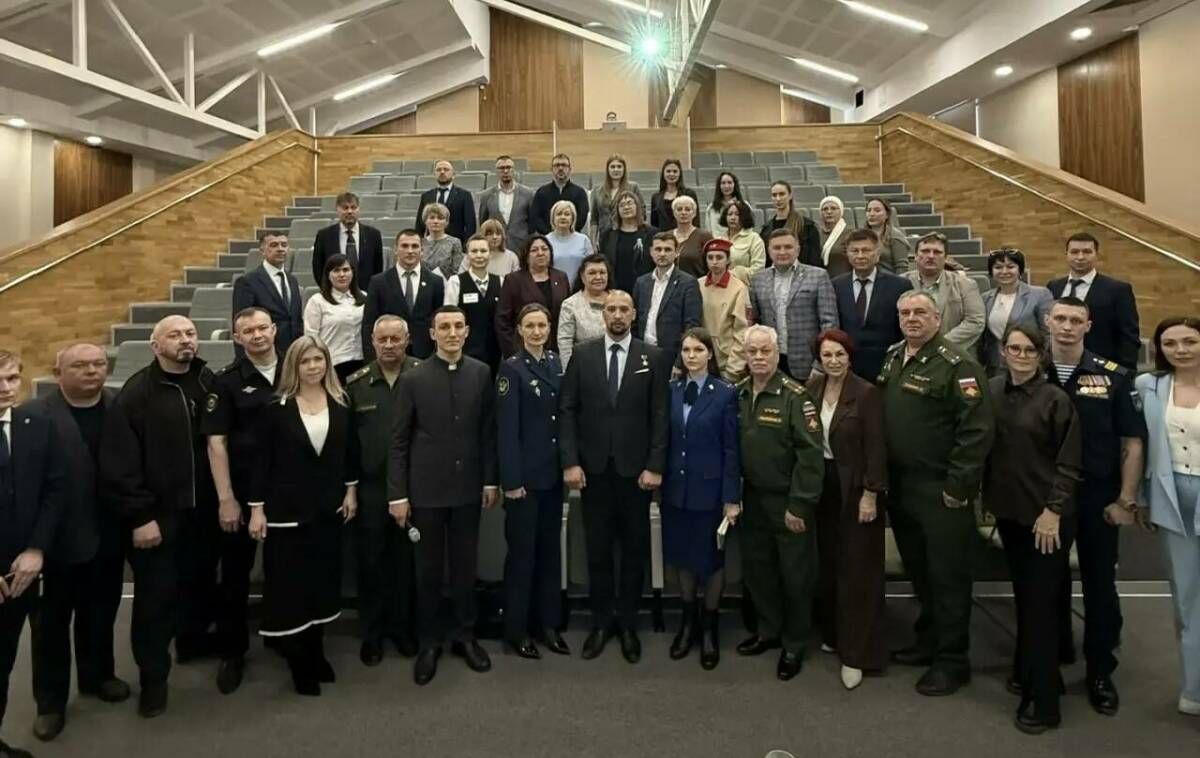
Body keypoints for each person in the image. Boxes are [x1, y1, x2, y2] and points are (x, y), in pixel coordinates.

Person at [101, 316, 218, 718]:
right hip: (159, 516)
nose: (185, 340)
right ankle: (153, 679)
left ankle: (192, 642)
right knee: (155, 600)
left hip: (203, 510)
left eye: (190, 334)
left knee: (199, 583)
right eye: (175, 335)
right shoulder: (137, 393)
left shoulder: (207, 380)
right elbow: (120, 463)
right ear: (155, 346)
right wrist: (140, 517)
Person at [879, 291, 993, 696]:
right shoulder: (895, 356)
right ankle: (928, 641)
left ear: (937, 318)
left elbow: (976, 431)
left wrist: (958, 487)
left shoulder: (958, 365)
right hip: (903, 488)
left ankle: (952, 660)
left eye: (920, 312)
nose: (911, 318)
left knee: (948, 577)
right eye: (905, 312)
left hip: (942, 490)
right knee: (921, 572)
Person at [1045, 297, 1145, 715]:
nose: (1067, 326)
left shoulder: (1113, 376)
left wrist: (1126, 499)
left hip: (1098, 497)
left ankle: (1100, 671)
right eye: (1060, 319)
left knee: (1099, 587)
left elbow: (1132, 442)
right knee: (1047, 584)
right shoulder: (1030, 370)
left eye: (1075, 320)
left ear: (1088, 326)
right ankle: (1050, 658)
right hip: (1046, 499)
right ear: (1048, 322)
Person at [389, 306, 499, 686]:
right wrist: (398, 495)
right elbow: (398, 442)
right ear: (432, 334)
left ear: (467, 332)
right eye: (444, 327)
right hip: (426, 493)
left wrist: (490, 481)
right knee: (429, 571)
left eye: (458, 326)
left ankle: (465, 637)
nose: (452, 333)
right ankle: (429, 643)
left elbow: (487, 432)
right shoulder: (413, 379)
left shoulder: (481, 373)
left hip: (468, 489)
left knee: (465, 569)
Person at [560, 290, 669, 664]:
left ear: (634, 314)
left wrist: (655, 465)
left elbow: (660, 415)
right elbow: (568, 409)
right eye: (611, 309)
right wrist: (570, 461)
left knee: (635, 551)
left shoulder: (653, 356)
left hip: (636, 473)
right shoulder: (583, 354)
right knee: (598, 550)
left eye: (624, 309)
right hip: (593, 471)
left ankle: (628, 625)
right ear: (602, 314)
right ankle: (601, 622)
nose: (618, 315)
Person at [25, 345, 128, 743]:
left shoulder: (120, 405)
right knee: (50, 626)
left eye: (99, 364)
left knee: (100, 613)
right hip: (56, 540)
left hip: (108, 534)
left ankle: (97, 676)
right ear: (58, 372)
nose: (91, 371)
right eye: (80, 365)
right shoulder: (35, 414)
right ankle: (50, 703)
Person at [984, 323, 1082, 734]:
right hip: (1010, 514)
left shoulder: (1055, 400)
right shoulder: (992, 391)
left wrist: (1053, 511)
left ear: (1041, 356)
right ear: (1003, 352)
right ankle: (1031, 671)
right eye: (1014, 349)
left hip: (1047, 519)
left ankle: (1044, 704)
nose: (1021, 356)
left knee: (1041, 607)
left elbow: (1070, 463)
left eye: (1029, 350)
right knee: (1026, 598)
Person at [246, 336, 358, 697]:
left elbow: (349, 452)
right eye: (306, 361)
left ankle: (317, 650)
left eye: (318, 360)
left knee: (322, 582)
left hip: (327, 509)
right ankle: (299, 661)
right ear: (293, 366)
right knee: (291, 587)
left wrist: (350, 490)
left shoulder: (341, 402)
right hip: (286, 513)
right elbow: (261, 463)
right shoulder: (275, 408)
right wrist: (256, 509)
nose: (313, 367)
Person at [734, 325, 824, 681]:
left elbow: (810, 457)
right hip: (752, 500)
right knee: (760, 571)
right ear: (744, 355)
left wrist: (800, 505)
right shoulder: (740, 394)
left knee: (795, 575)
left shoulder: (795, 397)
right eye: (752, 351)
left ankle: (794, 643)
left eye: (765, 351)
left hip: (787, 501)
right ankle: (768, 631)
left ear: (777, 353)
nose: (758, 357)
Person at [200, 308, 280, 696]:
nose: (257, 335)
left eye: (263, 327)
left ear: (275, 329)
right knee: (235, 574)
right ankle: (232, 652)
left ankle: (285, 636)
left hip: (288, 491)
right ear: (237, 338)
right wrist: (226, 499)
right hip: (244, 491)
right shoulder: (226, 381)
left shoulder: (297, 368)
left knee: (288, 568)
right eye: (248, 331)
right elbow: (216, 443)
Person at [806, 329, 889, 691]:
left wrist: (871, 494)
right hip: (823, 486)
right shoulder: (813, 388)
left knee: (858, 570)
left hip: (857, 488)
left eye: (840, 354)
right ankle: (835, 634)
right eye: (827, 355)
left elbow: (876, 448)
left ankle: (858, 654)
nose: (834, 361)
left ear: (850, 356)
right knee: (830, 564)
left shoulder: (867, 393)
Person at [662, 329, 740, 669]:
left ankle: (709, 628)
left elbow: (731, 450)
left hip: (710, 493)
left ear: (710, 354)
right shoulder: (671, 391)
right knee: (682, 559)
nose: (691, 356)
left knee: (711, 561)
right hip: (676, 491)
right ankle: (687, 622)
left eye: (698, 350)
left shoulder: (724, 393)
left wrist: (731, 498)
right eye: (686, 350)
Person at [346, 316, 421, 667]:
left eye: (395, 338)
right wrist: (349, 488)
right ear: (372, 342)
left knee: (406, 562)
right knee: (371, 562)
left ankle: (403, 628)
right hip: (371, 488)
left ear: (408, 340)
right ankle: (372, 633)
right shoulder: (356, 384)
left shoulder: (422, 375)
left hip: (413, 485)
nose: (389, 345)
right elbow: (347, 442)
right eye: (382, 339)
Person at [0, 350, 64, 758]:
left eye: (11, 378)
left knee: (11, 657)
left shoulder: (35, 423)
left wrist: (37, 548)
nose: (6, 389)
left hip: (29, 564)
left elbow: (54, 489)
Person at [1135, 317, 1200, 717]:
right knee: (1187, 597)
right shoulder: (1149, 386)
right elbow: (1139, 446)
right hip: (1172, 495)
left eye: (1190, 341)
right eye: (1171, 343)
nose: (1181, 350)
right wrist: (1141, 498)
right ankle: (1195, 688)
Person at [496, 304, 569, 659]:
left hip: (551, 476)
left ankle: (548, 624)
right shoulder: (511, 369)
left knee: (550, 554)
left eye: (542, 325)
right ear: (520, 331)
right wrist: (511, 480)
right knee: (522, 558)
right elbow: (507, 431)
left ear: (550, 328)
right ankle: (517, 629)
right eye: (530, 326)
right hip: (524, 481)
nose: (537, 331)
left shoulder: (555, 362)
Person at [748, 229, 839, 380]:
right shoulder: (758, 279)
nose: (782, 252)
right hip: (771, 362)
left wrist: (821, 362)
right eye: (777, 247)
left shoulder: (818, 276)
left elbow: (829, 324)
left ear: (798, 249)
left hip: (808, 363)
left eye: (788, 247)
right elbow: (755, 323)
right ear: (769, 251)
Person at [1046, 232, 1140, 369]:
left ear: (1096, 255)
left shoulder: (1118, 290)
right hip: (1055, 365)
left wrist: (1125, 372)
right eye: (1074, 252)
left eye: (1087, 252)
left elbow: (1129, 336)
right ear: (1067, 255)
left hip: (1099, 368)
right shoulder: (1053, 286)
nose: (1080, 257)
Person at [831, 229, 913, 382]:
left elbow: (904, 329)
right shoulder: (836, 285)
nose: (860, 255)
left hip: (887, 368)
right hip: (848, 368)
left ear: (877, 253)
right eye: (855, 251)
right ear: (847, 254)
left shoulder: (900, 286)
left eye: (866, 250)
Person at [362, 229, 445, 361]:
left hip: (426, 355)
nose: (410, 251)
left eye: (415, 246)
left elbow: (439, 321)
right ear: (396, 249)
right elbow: (369, 324)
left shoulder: (436, 282)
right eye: (405, 246)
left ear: (422, 251)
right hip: (389, 354)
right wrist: (372, 359)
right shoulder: (378, 282)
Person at [903, 232, 985, 353]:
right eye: (925, 251)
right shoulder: (900, 283)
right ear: (915, 256)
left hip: (952, 354)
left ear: (946, 258)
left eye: (937, 252)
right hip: (909, 352)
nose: (931, 256)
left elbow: (975, 321)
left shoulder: (965, 285)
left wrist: (938, 346)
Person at [980, 248, 1053, 376]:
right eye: (998, 267)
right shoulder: (985, 298)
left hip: (1029, 364)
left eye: (1010, 267)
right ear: (991, 271)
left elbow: (1048, 333)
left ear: (1020, 270)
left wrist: (1039, 361)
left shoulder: (1039, 294)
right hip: (996, 368)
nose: (1004, 271)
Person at [496, 235, 571, 358]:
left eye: (544, 249)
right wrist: (513, 352)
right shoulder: (513, 280)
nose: (540, 253)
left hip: (557, 350)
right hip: (523, 350)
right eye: (534, 250)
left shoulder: (561, 277)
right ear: (526, 256)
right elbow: (502, 321)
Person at [232, 232, 303, 357]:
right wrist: (242, 360)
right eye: (274, 245)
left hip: (293, 353)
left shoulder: (292, 280)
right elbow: (241, 323)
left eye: (284, 245)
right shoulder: (247, 282)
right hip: (264, 352)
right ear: (262, 251)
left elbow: (296, 319)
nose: (280, 249)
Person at [445, 234, 503, 374]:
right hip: (466, 351)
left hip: (494, 352)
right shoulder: (456, 282)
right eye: (474, 251)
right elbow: (449, 318)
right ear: (467, 255)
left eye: (483, 251)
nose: (479, 255)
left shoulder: (500, 281)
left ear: (490, 254)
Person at [304, 254, 366, 383]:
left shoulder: (365, 297)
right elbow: (311, 338)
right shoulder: (317, 301)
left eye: (346, 270)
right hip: (332, 365)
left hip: (361, 363)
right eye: (336, 270)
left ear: (353, 273)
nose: (342, 274)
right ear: (328, 275)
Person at [699, 238, 750, 384]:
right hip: (701, 357)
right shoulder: (698, 285)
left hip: (726, 360)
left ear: (728, 260)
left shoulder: (739, 288)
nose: (714, 262)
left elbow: (741, 331)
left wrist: (733, 368)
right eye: (710, 257)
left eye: (719, 257)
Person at [311, 191, 384, 286]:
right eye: (345, 208)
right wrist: (329, 290)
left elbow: (378, 268)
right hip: (334, 292)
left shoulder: (373, 235)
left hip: (366, 292)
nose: (350, 211)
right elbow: (318, 268)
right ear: (337, 209)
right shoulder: (324, 236)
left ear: (359, 209)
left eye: (353, 207)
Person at [557, 253, 611, 368]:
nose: (598, 277)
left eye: (602, 272)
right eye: (592, 273)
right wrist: (569, 371)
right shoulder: (570, 305)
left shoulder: (619, 298)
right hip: (584, 366)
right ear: (582, 276)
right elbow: (565, 342)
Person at [598, 191, 657, 295]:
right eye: (622, 205)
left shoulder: (652, 233)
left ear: (637, 206)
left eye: (629, 203)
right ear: (617, 210)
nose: (626, 207)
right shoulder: (608, 235)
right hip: (616, 289)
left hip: (646, 289)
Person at [477, 155, 533, 255]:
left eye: (508, 167)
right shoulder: (486, 195)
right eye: (501, 168)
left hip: (521, 247)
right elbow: (483, 222)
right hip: (495, 247)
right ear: (496, 171)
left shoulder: (528, 194)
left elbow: (532, 222)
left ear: (513, 170)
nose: (505, 171)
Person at [415, 159, 476, 246]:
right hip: (431, 245)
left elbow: (470, 224)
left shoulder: (464, 195)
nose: (442, 172)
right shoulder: (426, 196)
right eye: (438, 170)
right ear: (434, 174)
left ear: (453, 175)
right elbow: (419, 224)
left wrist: (466, 247)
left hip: (456, 246)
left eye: (446, 169)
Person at [760, 181, 821, 267]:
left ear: (790, 195)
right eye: (774, 195)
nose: (778, 198)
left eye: (782, 194)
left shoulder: (807, 226)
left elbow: (814, 260)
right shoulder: (766, 230)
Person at [531, 153, 588, 235]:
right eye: (557, 165)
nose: (560, 168)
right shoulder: (541, 192)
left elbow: (582, 217)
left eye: (564, 165)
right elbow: (536, 217)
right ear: (551, 169)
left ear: (570, 169)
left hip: (572, 237)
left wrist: (568, 232)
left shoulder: (580, 192)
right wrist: (551, 235)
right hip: (548, 238)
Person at [590, 154, 640, 241]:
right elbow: (594, 219)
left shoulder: (633, 187)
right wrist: (593, 242)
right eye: (612, 167)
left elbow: (641, 212)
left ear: (624, 169)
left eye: (619, 166)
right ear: (608, 169)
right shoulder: (597, 191)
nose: (616, 169)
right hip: (604, 238)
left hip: (628, 235)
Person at [547, 200, 593, 288]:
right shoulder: (546, 240)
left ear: (573, 218)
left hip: (579, 288)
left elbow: (591, 266)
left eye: (567, 214)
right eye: (559, 214)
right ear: (553, 218)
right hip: (553, 288)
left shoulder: (584, 240)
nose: (563, 217)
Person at [717, 200, 765, 285]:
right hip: (721, 286)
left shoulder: (754, 239)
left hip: (745, 286)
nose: (733, 217)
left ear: (744, 217)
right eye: (730, 214)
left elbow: (758, 270)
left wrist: (736, 273)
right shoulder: (719, 239)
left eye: (737, 214)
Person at [863, 197, 911, 274]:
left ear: (887, 215)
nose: (871, 214)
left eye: (877, 210)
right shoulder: (861, 235)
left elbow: (902, 268)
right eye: (868, 210)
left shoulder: (896, 236)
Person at [670, 195, 712, 278]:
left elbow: (711, 264)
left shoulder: (705, 236)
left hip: (697, 282)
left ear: (694, 213)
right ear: (674, 213)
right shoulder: (667, 236)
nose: (683, 212)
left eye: (687, 209)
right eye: (679, 209)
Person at [649, 158, 697, 232]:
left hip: (685, 235)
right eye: (668, 171)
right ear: (663, 174)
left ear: (680, 174)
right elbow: (654, 224)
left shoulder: (689, 194)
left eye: (675, 171)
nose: (671, 174)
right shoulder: (656, 197)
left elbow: (696, 220)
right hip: (663, 237)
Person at [421, 202, 464, 280]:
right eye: (432, 218)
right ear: (425, 221)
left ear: (446, 222)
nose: (436, 221)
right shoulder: (420, 243)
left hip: (447, 284)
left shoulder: (455, 242)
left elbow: (457, 270)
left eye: (440, 218)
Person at [816, 196, 852, 275]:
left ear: (841, 211)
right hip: (819, 278)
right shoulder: (815, 233)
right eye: (825, 209)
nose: (829, 212)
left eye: (833, 208)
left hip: (842, 277)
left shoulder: (850, 234)